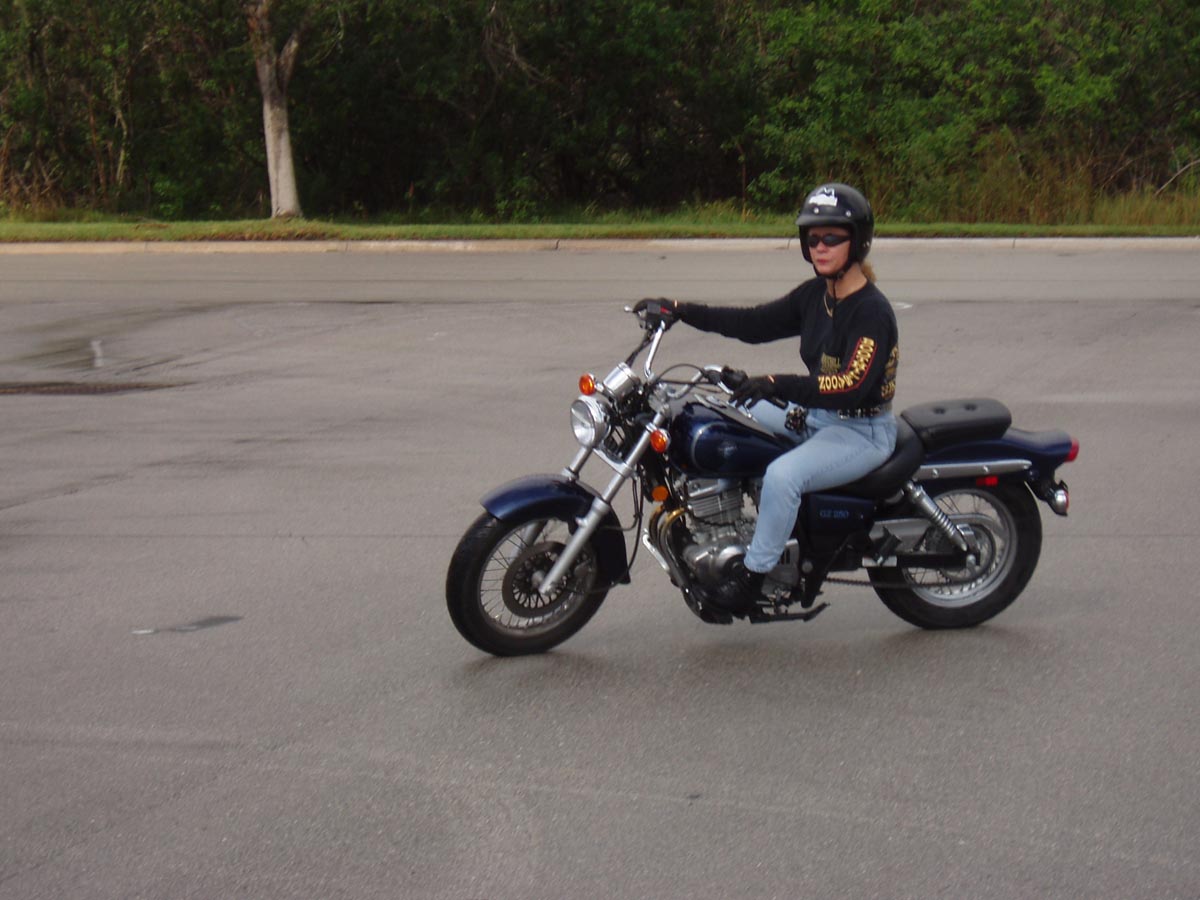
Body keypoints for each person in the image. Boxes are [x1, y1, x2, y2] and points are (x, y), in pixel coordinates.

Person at [634, 183, 899, 613]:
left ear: (858, 241)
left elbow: (853, 384)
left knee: (782, 477)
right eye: (812, 237)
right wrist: (681, 310)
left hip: (860, 429)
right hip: (816, 416)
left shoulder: (871, 311)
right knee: (727, 412)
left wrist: (776, 384)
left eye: (832, 237)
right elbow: (753, 323)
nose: (820, 246)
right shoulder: (817, 296)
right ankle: (720, 524)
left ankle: (752, 578)